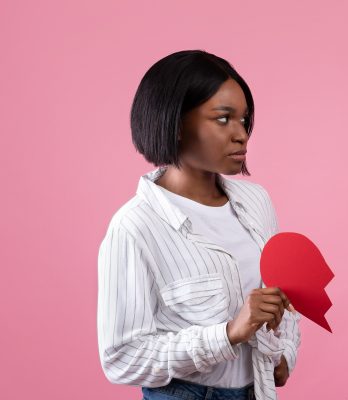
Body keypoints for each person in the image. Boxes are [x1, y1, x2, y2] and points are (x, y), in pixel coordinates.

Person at [97, 50, 300, 400]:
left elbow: (284, 298)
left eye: (244, 120)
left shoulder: (257, 202)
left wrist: (284, 355)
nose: (242, 135)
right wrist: (227, 334)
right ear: (175, 124)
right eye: (223, 119)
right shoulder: (134, 227)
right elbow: (121, 358)